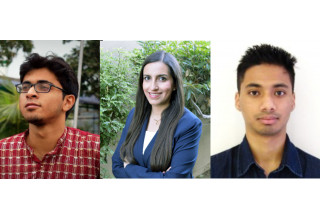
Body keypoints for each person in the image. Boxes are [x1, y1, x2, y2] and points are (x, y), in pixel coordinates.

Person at [211, 44, 320, 178]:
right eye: (255, 92)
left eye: (279, 92)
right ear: (238, 100)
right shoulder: (215, 169)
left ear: (293, 100)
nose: (268, 105)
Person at [0, 53, 100, 179]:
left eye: (43, 87)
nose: (30, 93)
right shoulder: (3, 153)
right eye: (25, 87)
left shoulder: (94, 151)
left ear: (67, 102)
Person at [112, 51, 202, 178]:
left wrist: (129, 168)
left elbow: (174, 179)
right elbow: (117, 166)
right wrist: (159, 176)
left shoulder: (189, 124)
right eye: (147, 78)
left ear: (175, 84)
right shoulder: (135, 115)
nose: (153, 86)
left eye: (162, 78)